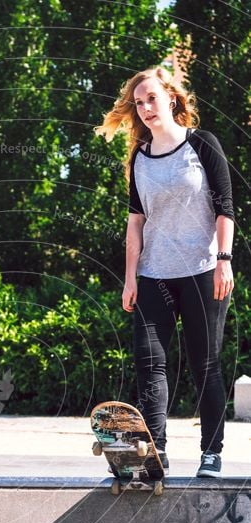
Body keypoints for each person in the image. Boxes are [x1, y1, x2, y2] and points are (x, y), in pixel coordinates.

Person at [94, 66, 235, 478]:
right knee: (149, 362)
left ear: (171, 98)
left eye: (152, 99)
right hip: (155, 274)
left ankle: (211, 453)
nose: (146, 108)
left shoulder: (203, 145)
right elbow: (135, 222)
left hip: (202, 270)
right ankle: (153, 451)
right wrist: (131, 277)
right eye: (139, 103)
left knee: (204, 364)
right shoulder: (139, 158)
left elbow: (225, 207)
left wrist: (224, 260)